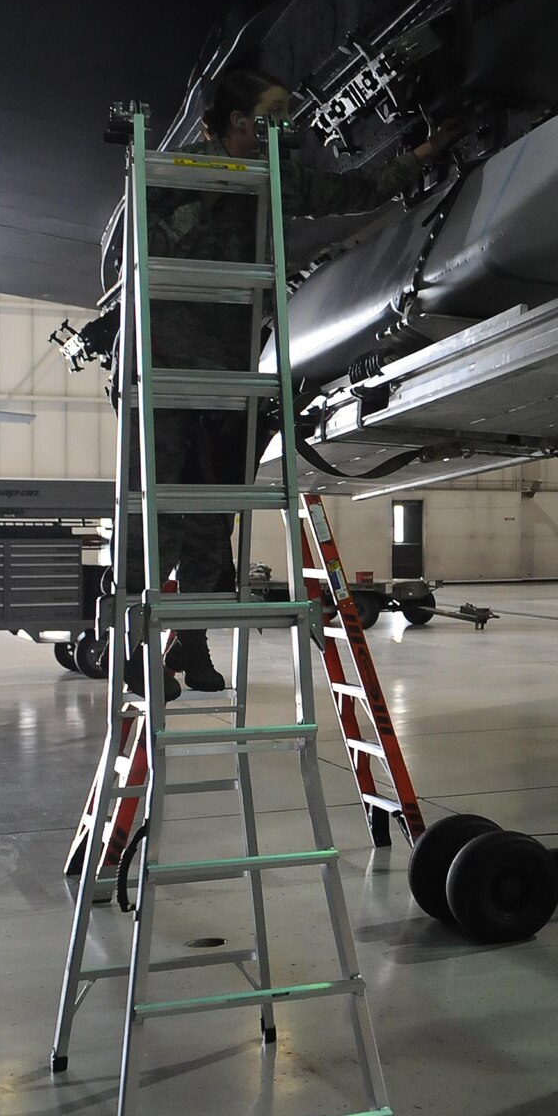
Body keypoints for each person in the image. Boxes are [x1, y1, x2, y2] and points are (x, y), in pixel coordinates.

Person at [138, 67, 446, 692]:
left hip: (232, 373)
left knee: (215, 512)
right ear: (236, 122)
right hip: (171, 370)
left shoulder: (279, 173)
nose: (288, 125)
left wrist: (426, 152)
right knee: (163, 514)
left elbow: (355, 190)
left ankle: (189, 643)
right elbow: (147, 244)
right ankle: (133, 648)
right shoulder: (178, 173)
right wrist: (236, 191)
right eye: (273, 113)